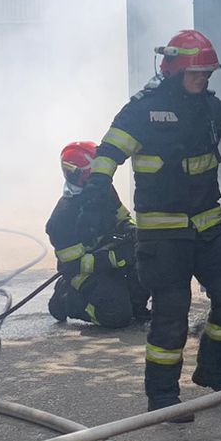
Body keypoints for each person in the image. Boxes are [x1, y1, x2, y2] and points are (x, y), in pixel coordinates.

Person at [90, 30, 221, 419]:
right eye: (195, 73)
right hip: (162, 234)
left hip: (209, 227)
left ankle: (213, 370)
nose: (202, 80)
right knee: (171, 315)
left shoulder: (208, 107)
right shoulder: (142, 110)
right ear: (172, 69)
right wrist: (97, 188)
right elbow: (108, 152)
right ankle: (162, 397)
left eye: (206, 74)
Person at [45, 140, 148, 329]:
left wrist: (132, 231)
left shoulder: (103, 190)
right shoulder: (62, 218)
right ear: (79, 174)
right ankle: (69, 298)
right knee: (117, 315)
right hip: (81, 274)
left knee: (148, 259)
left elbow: (122, 217)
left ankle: (136, 306)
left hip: (111, 261)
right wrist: (115, 258)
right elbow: (74, 264)